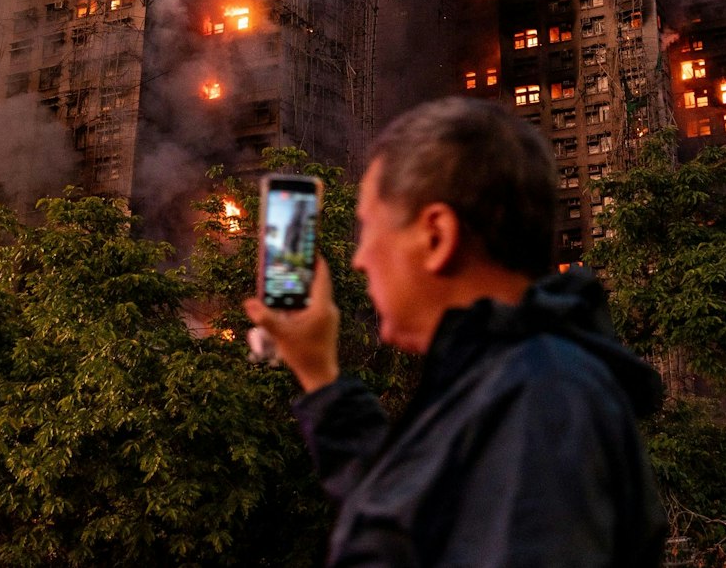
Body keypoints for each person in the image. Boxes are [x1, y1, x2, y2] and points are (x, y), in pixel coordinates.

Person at [245, 98, 666, 567]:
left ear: (436, 236)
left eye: (367, 228)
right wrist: (318, 373)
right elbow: (400, 517)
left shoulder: (544, 400)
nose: (358, 259)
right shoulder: (506, 384)